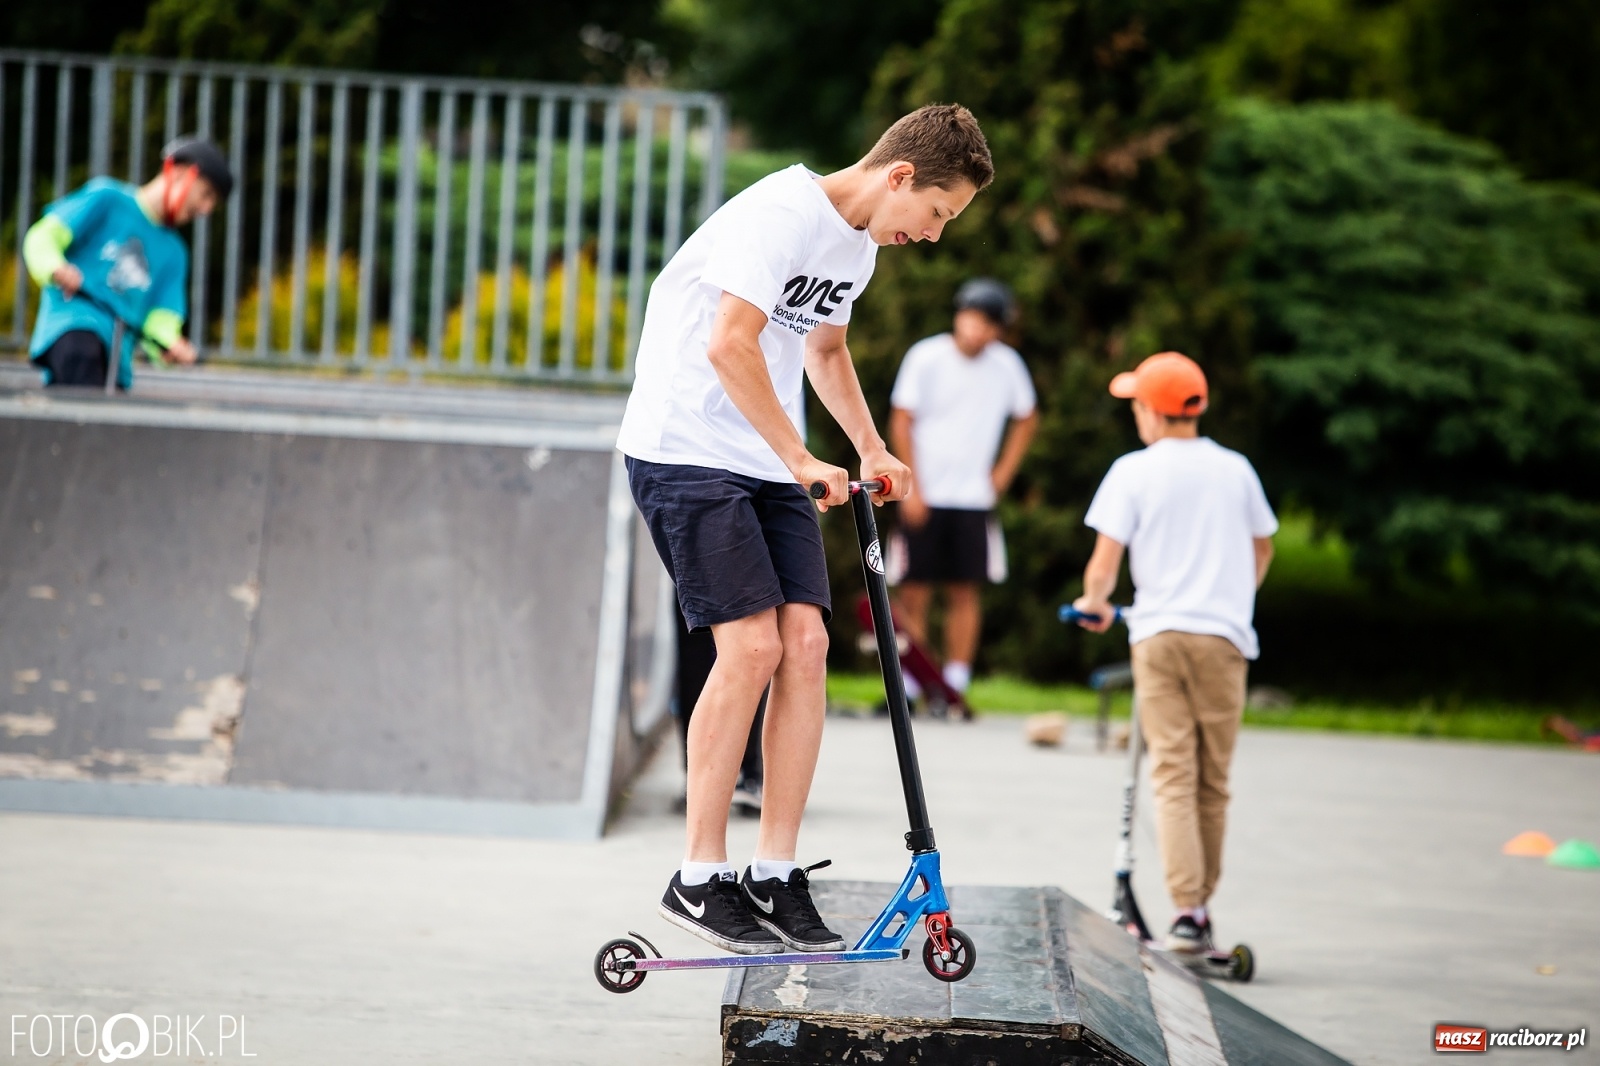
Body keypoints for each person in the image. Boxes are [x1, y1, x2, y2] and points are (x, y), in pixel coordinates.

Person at [617, 103, 993, 955]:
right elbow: (730, 344)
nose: (932, 237)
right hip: (685, 448)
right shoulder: (777, 213)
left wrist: (868, 446)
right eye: (936, 214)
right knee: (749, 648)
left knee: (809, 646)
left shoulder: (857, 244)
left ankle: (775, 872)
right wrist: (800, 456)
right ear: (900, 176)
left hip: (767, 455)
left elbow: (823, 350)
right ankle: (699, 877)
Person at [1069, 351, 1276, 956]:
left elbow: (1105, 566)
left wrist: (1093, 602)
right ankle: (1200, 908)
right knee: (1214, 779)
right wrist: (1230, 598)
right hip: (1225, 638)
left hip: (1159, 636)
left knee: (1174, 773)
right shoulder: (1236, 469)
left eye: (1136, 405)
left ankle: (1187, 913)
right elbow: (1261, 550)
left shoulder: (1133, 470)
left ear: (1154, 413)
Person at [887, 277, 1037, 702]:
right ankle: (913, 680)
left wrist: (1003, 473)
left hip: (972, 497)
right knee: (914, 588)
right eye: (970, 318)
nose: (975, 330)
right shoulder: (927, 356)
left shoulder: (1007, 365)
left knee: (964, 589)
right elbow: (902, 420)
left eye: (986, 323)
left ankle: (955, 680)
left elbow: (1027, 418)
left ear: (998, 330)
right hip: (926, 492)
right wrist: (911, 487)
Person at [23, 137, 233, 390]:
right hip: (74, 327)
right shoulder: (107, 199)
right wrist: (54, 266)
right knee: (83, 358)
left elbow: (161, 316)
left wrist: (170, 344)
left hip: (116, 359)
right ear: (179, 172)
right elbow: (44, 236)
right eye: (206, 194)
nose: (206, 209)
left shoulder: (175, 252)